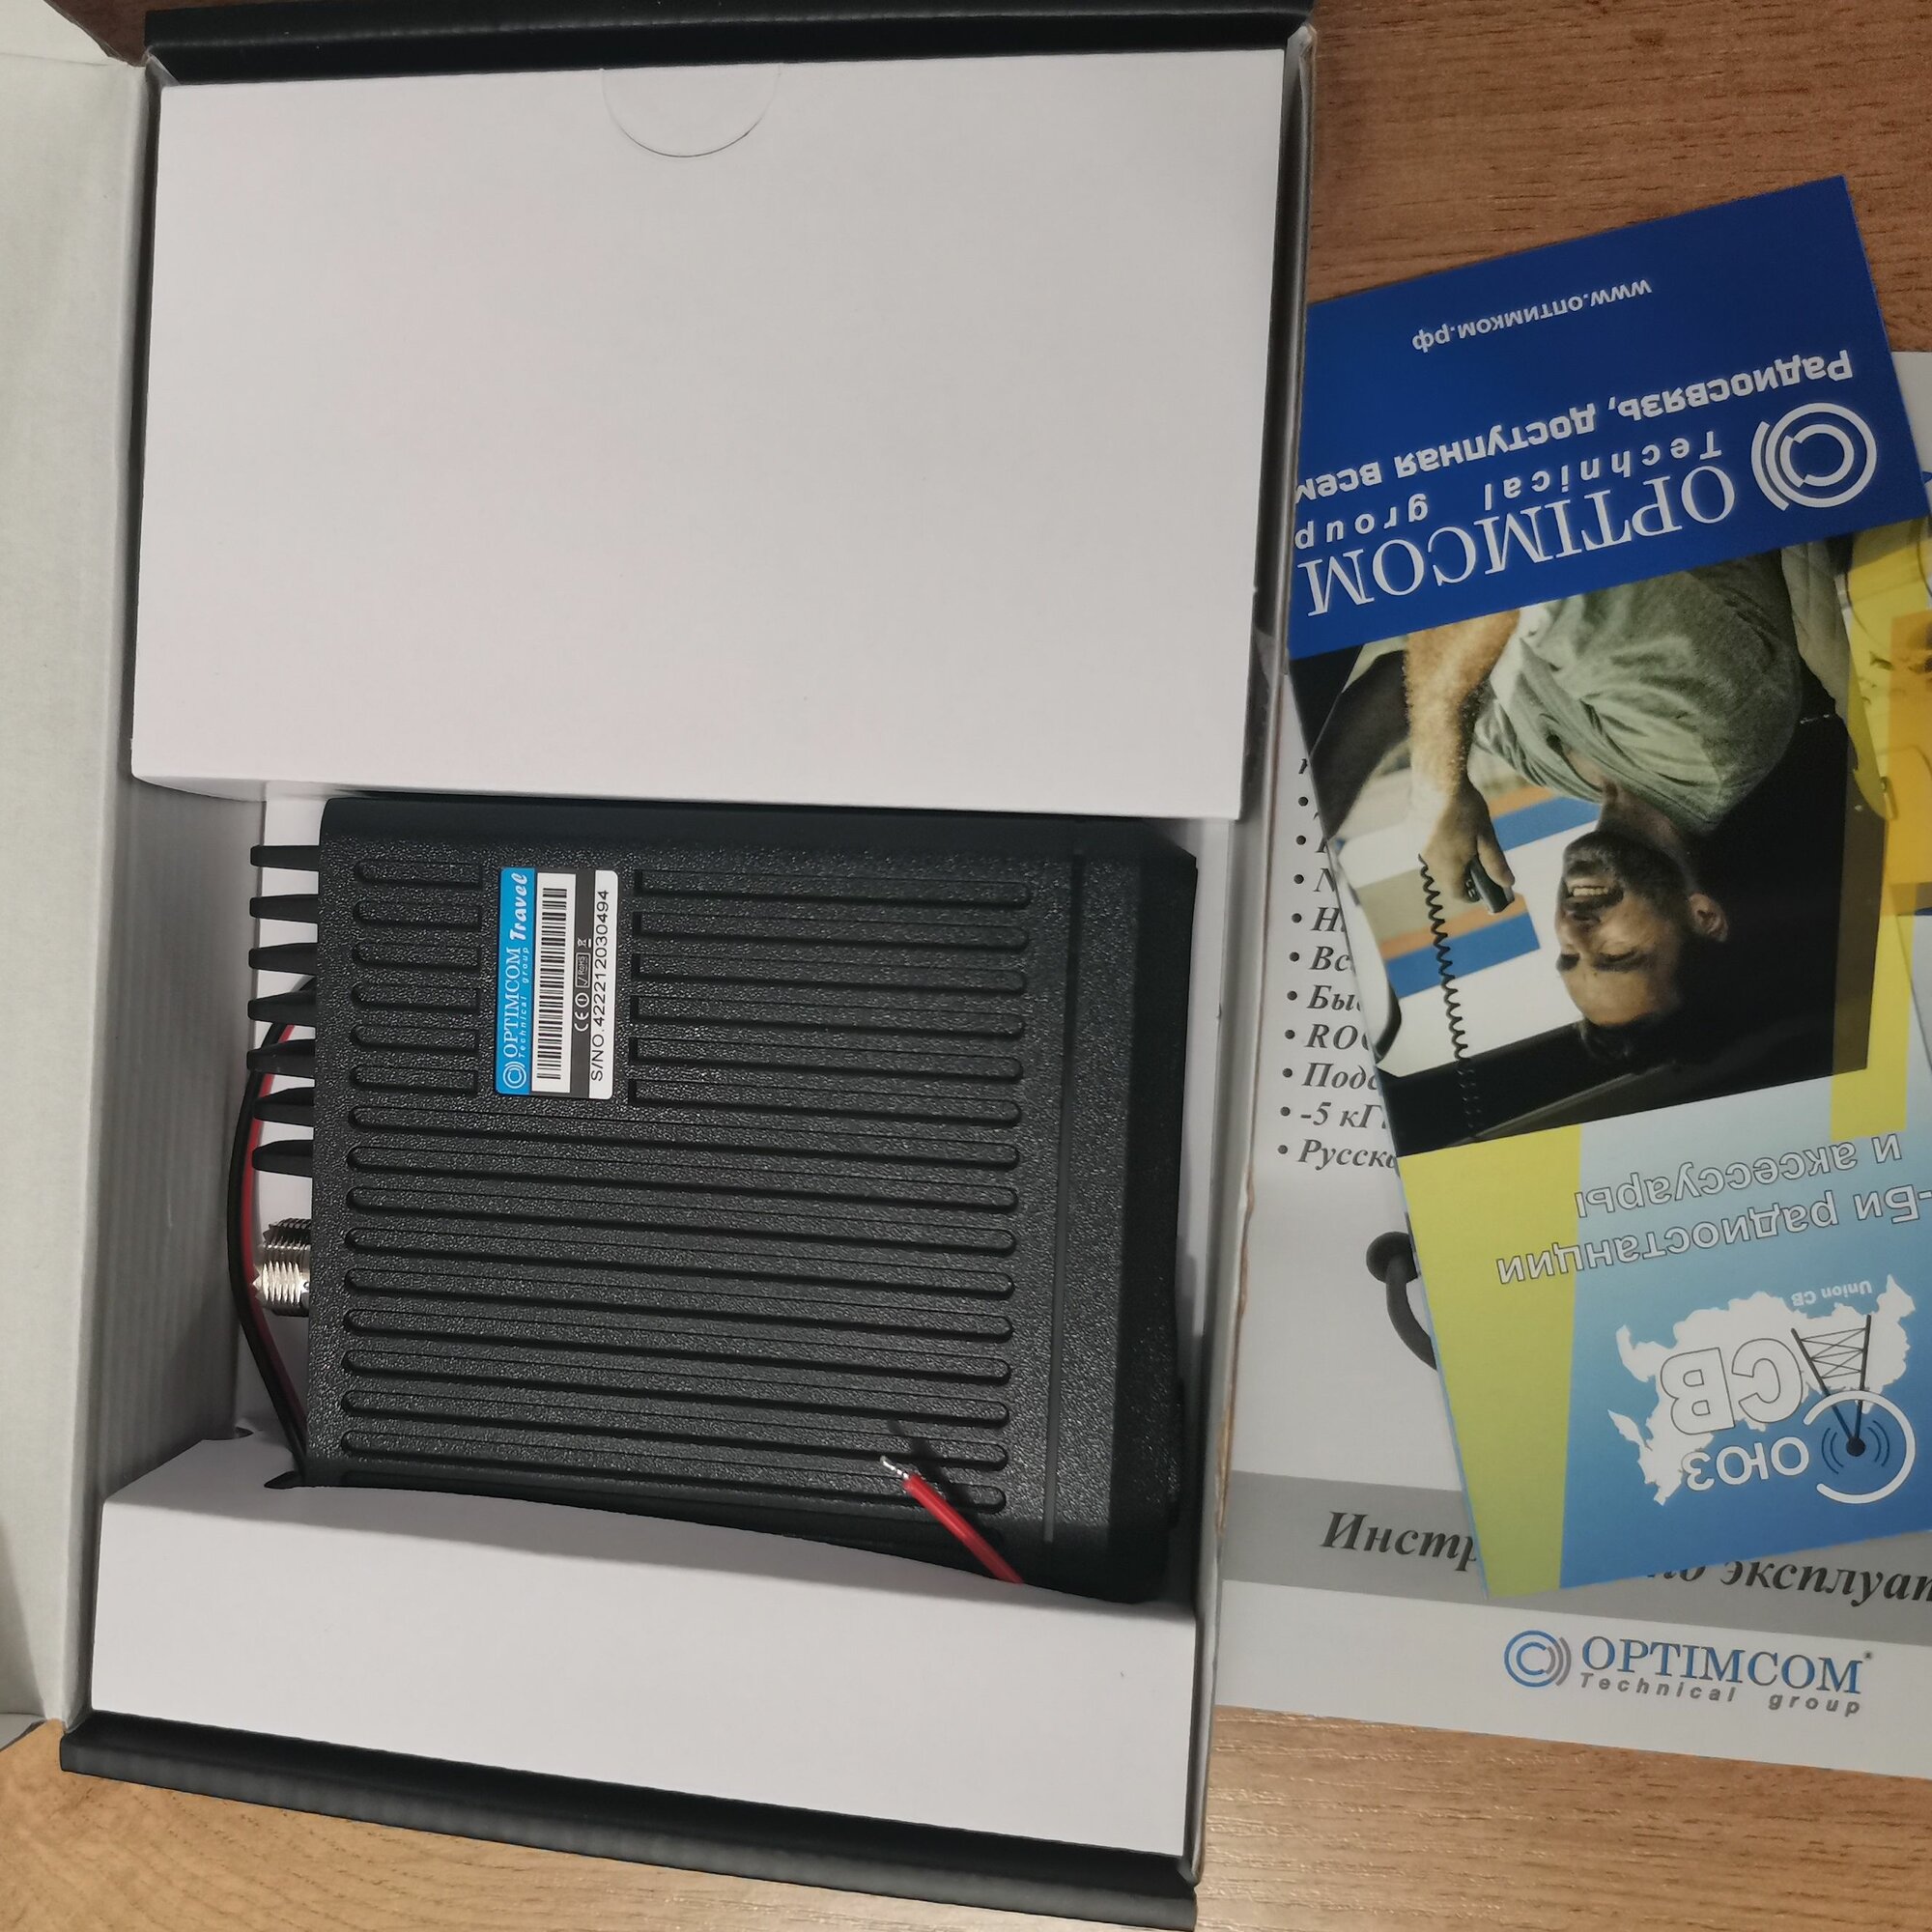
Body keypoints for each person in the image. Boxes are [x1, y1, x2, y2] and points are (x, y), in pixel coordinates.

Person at [1315, 553, 1807, 1058]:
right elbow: (1526, 561)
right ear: (1702, 916)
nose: (1573, 929)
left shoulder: (1563, 775)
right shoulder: (1708, 737)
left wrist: (1302, 833)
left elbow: (1403, 686)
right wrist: (1437, 785)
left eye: (1569, 957)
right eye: (1616, 954)